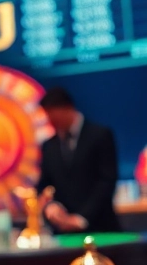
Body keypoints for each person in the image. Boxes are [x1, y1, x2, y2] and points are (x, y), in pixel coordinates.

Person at [36, 87, 120, 232]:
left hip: (100, 227)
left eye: (54, 115)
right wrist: (51, 206)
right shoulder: (49, 146)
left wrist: (81, 218)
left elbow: (107, 181)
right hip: (63, 232)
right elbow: (44, 184)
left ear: (68, 108)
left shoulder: (100, 136)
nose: (51, 120)